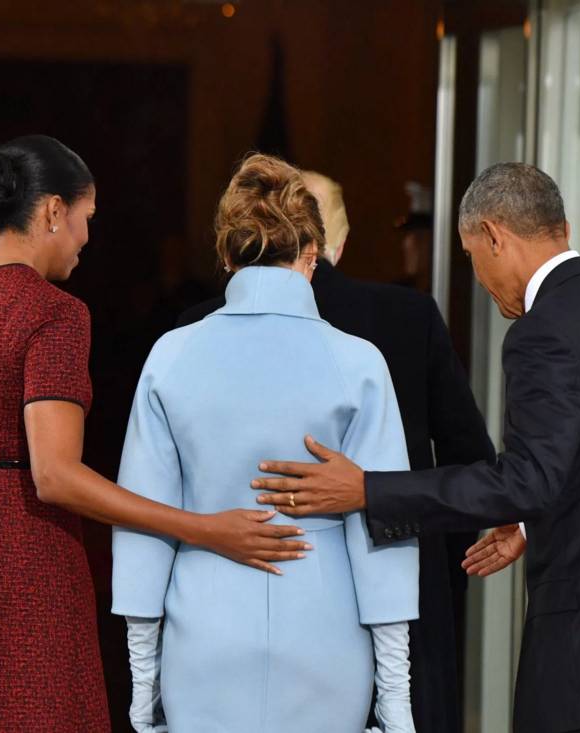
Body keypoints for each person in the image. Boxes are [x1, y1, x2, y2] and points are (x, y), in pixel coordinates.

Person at [0, 137, 313, 732]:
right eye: (88, 218)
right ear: (54, 211)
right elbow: (55, 477)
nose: (87, 237)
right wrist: (205, 529)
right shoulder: (53, 313)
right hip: (14, 559)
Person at [251, 162, 580, 732]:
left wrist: (366, 489)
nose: (480, 279)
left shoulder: (542, 331)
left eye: (470, 256)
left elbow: (529, 479)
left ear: (493, 236)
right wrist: (533, 528)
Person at [112, 153, 420, 733]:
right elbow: (384, 527)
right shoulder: (359, 363)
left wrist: (143, 685)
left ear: (227, 256)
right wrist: (397, 700)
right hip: (328, 629)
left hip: (202, 628)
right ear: (312, 255)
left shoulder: (171, 356)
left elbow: (145, 528)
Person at [178, 170, 493, 733]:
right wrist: (441, 572)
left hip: (223, 601)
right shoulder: (408, 318)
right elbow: (468, 456)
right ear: (325, 249)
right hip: (399, 587)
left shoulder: (191, 331)